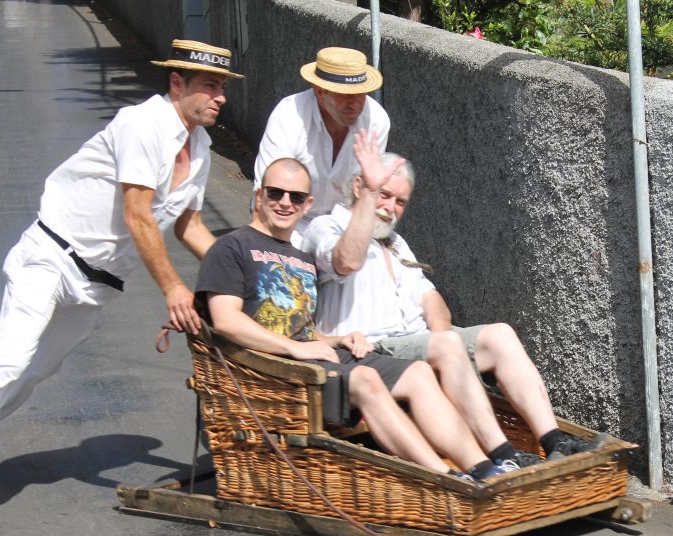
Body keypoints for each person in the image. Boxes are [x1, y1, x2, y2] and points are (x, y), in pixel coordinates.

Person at [0, 39, 241, 468]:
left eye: (223, 88)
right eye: (211, 86)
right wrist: (174, 288)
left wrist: (241, 274)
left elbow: (188, 225)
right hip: (51, 257)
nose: (221, 97)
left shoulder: (201, 150)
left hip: (96, 286)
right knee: (9, 362)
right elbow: (138, 214)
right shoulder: (142, 124)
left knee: (33, 374)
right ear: (178, 83)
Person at [196, 157, 512, 481]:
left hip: (316, 357)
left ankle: (486, 469)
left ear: (308, 204)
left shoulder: (300, 259)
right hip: (273, 370)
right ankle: (446, 479)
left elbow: (301, 329)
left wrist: (337, 340)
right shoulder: (231, 248)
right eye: (276, 193)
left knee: (418, 372)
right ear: (260, 195)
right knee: (366, 379)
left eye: (296, 197)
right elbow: (226, 321)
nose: (285, 202)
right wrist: (293, 349)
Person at [298, 133, 603, 469]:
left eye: (400, 202)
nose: (389, 208)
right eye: (383, 195)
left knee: (499, 334)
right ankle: (503, 455)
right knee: (446, 346)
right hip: (370, 348)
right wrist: (443, 346)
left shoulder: (395, 243)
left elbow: (430, 297)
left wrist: (442, 335)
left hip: (416, 343)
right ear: (360, 187)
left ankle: (555, 441)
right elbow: (346, 262)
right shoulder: (327, 226)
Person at [253, 46, 389, 229]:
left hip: (341, 225)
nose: (355, 104)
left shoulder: (376, 121)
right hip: (287, 217)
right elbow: (268, 195)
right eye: (345, 94)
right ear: (319, 91)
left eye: (361, 93)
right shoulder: (289, 114)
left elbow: (365, 194)